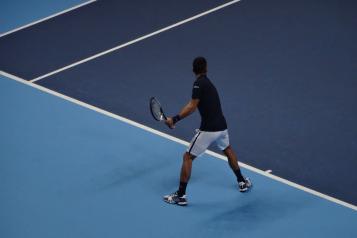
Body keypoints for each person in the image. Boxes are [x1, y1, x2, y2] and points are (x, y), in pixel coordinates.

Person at [163, 57, 252, 206]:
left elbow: (192, 106)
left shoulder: (198, 84)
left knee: (187, 157)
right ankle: (242, 181)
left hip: (209, 129)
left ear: (193, 70)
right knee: (227, 149)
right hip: (222, 126)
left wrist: (175, 119)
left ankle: (181, 195)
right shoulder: (209, 83)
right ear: (206, 68)